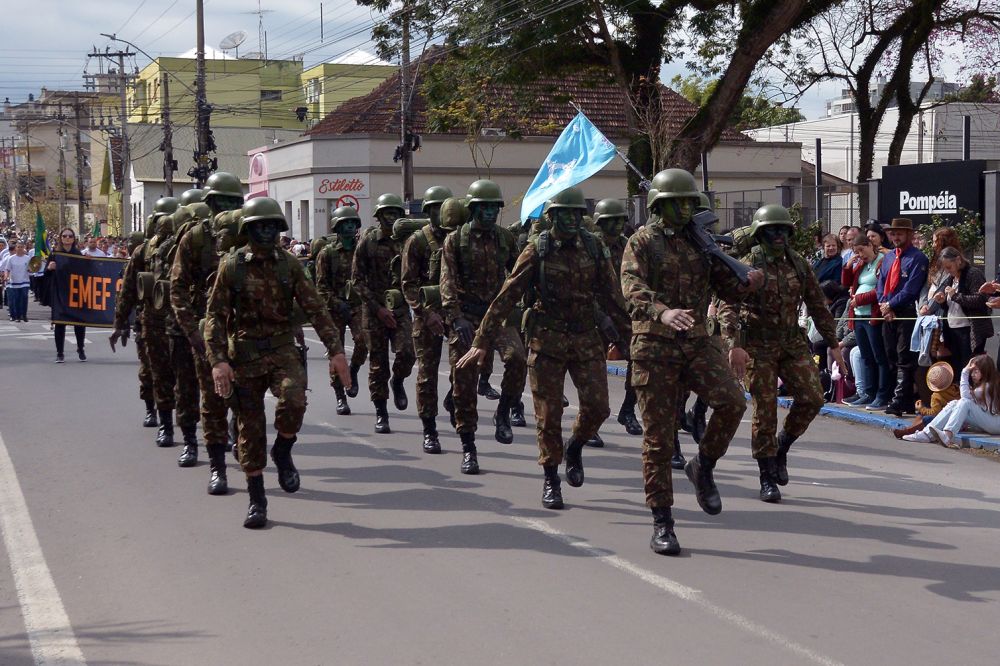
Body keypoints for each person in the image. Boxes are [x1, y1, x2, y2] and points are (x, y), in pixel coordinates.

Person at [457, 186, 630, 507]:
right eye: (563, 213)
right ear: (551, 217)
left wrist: (631, 338)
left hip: (585, 338)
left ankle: (575, 447)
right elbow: (506, 297)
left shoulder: (593, 248)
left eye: (576, 213)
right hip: (546, 338)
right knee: (548, 416)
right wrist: (482, 340)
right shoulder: (538, 249)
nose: (570, 219)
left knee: (599, 408)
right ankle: (551, 478)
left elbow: (613, 297)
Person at [621, 169, 762, 555]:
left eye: (689, 202)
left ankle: (704, 465)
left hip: (697, 343)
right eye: (677, 202)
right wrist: (662, 311)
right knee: (659, 440)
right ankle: (662, 521)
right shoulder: (643, 241)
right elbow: (632, 287)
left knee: (733, 402)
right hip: (654, 345)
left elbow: (727, 286)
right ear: (660, 205)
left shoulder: (702, 243)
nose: (685, 208)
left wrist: (750, 282)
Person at [206, 197, 350, 529]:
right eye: (261, 226)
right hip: (244, 353)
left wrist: (336, 351)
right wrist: (218, 361)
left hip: (283, 348)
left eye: (273, 225)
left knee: (294, 398)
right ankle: (257, 499)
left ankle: (283, 450)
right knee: (250, 429)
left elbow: (316, 309)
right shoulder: (232, 267)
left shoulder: (290, 265)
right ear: (249, 230)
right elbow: (215, 316)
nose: (268, 232)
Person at [720, 204, 843, 503]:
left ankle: (782, 447)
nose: (778, 235)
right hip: (757, 346)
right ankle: (766, 475)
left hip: (791, 343)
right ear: (761, 234)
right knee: (765, 408)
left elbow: (817, 304)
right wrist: (733, 344)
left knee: (813, 398)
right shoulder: (747, 264)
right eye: (772, 230)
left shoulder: (798, 263)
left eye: (783, 230)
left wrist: (834, 343)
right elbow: (729, 305)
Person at [440, 181, 526, 473]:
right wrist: (455, 318)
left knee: (517, 359)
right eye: (484, 207)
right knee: (463, 380)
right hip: (467, 316)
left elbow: (518, 274)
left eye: (494, 208)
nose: (490, 212)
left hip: (498, 316)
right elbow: (447, 282)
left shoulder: (505, 238)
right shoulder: (455, 240)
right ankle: (469, 447)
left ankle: (504, 412)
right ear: (473, 208)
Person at [170, 176, 244, 492]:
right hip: (206, 332)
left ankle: (241, 438)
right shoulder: (195, 238)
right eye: (221, 203)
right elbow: (177, 288)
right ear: (210, 205)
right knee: (210, 397)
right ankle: (215, 466)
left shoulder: (248, 234)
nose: (226, 209)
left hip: (243, 330)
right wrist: (193, 332)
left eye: (233, 203)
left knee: (246, 396)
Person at [351, 193, 416, 433]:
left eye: (396, 213)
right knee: (378, 364)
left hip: (400, 309)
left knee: (408, 352)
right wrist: (378, 309)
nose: (392, 217)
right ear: (379, 216)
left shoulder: (408, 241)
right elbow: (357, 281)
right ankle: (381, 411)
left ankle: (398, 381)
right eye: (387, 213)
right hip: (374, 310)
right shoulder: (368, 242)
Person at [401, 186, 453, 454]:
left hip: (455, 312)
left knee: (467, 368)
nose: (438, 213)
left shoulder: (459, 238)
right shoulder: (417, 241)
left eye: (442, 208)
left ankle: (454, 400)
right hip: (426, 313)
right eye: (434, 209)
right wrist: (425, 313)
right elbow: (408, 285)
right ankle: (430, 429)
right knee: (427, 373)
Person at [591, 197, 644, 440]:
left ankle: (628, 409)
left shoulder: (627, 246)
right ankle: (590, 421)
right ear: (600, 223)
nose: (617, 226)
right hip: (594, 315)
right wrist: (600, 316)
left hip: (623, 314)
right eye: (611, 221)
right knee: (593, 371)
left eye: (620, 221)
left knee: (639, 358)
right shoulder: (590, 246)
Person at [316, 206, 369, 415]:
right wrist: (337, 303)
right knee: (335, 351)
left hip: (358, 305)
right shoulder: (327, 253)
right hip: (335, 307)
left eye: (352, 223)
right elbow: (321, 286)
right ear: (337, 227)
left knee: (364, 341)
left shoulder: (363, 250)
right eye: (344, 223)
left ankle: (354, 370)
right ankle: (340, 395)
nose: (349, 226)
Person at [876, 217, 929, 416]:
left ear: (909, 234)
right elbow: (880, 283)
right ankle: (902, 397)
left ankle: (900, 399)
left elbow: (911, 289)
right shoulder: (889, 257)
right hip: (887, 312)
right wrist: (883, 304)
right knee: (890, 354)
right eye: (893, 234)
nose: (896, 237)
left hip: (905, 312)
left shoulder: (918, 258)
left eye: (899, 233)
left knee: (904, 356)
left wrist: (891, 304)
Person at [903, 355, 1000, 446]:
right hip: (987, 421)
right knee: (954, 403)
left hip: (995, 423)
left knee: (964, 402)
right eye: (972, 371)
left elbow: (965, 397)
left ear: (985, 371)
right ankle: (926, 434)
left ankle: (947, 435)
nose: (972, 374)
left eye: (976, 371)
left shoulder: (987, 386)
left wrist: (964, 372)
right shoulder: (982, 386)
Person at [842, 235, 891, 408]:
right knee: (866, 356)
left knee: (879, 356)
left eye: (862, 250)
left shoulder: (882, 261)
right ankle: (869, 393)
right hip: (859, 315)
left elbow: (881, 289)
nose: (860, 254)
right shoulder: (861, 265)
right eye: (856, 252)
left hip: (873, 315)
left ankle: (882, 394)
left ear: (870, 245)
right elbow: (846, 282)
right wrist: (848, 267)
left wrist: (860, 299)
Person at [930, 246, 992, 375]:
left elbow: (981, 299)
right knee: (957, 368)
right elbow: (949, 304)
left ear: (958, 260)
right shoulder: (950, 278)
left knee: (969, 368)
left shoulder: (973, 274)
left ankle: (970, 393)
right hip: (953, 329)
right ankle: (959, 392)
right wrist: (942, 301)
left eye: (949, 267)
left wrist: (955, 296)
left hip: (969, 330)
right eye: (945, 268)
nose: (948, 271)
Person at [46, 227, 86, 363]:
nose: (67, 238)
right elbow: (46, 274)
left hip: (75, 292)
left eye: (70, 236)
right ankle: (60, 352)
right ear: (60, 238)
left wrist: (89, 264)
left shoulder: (78, 254)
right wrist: (49, 268)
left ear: (74, 238)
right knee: (60, 324)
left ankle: (80, 348)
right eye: (64, 236)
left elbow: (86, 274)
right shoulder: (55, 254)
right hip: (60, 293)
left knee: (79, 323)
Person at [892, 361, 959, 438]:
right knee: (922, 414)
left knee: (925, 417)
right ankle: (911, 430)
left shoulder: (937, 396)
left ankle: (908, 431)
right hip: (959, 421)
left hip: (946, 422)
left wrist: (921, 408)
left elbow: (934, 413)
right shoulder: (956, 388)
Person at [2, 240, 30, 322]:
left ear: (24, 248)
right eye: (18, 247)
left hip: (25, 281)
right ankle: (17, 316)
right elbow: (7, 269)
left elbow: (30, 269)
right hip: (14, 282)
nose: (20, 248)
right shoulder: (11, 258)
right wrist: (6, 277)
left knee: (24, 297)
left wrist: (33, 269)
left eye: (22, 247)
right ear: (16, 248)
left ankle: (24, 315)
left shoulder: (27, 258)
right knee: (16, 299)